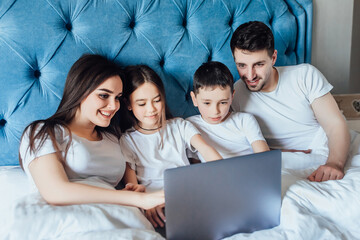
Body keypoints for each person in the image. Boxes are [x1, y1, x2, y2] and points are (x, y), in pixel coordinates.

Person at [19, 54, 164, 210]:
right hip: (69, 218)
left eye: (117, 98)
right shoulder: (43, 132)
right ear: (80, 91)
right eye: (104, 95)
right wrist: (135, 198)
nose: (113, 106)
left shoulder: (113, 138)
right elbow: (56, 192)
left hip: (118, 214)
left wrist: (129, 193)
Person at [230, 21, 350, 182]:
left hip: (330, 151)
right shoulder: (234, 94)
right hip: (280, 162)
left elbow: (335, 124)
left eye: (258, 64)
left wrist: (335, 163)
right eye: (242, 65)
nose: (250, 75)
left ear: (273, 57)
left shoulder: (305, 76)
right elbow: (238, 144)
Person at [120, 65, 222, 229]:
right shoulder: (127, 140)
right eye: (142, 104)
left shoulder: (180, 126)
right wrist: (147, 204)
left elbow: (206, 150)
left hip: (189, 194)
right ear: (128, 104)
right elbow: (131, 186)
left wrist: (225, 172)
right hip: (157, 205)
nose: (151, 109)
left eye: (157, 100)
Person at [187, 61, 269, 162]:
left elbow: (265, 158)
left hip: (251, 172)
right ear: (194, 99)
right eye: (207, 103)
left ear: (232, 97)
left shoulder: (245, 120)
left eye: (223, 103)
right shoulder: (189, 126)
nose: (215, 111)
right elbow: (194, 165)